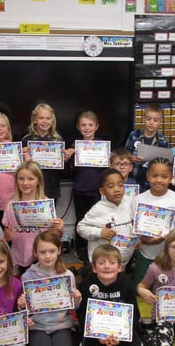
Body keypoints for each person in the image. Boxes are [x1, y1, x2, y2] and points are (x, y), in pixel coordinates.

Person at [76, 244, 148, 346]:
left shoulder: (127, 284)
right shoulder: (86, 284)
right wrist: (98, 335)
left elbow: (135, 314)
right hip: (95, 333)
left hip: (121, 332)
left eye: (112, 262)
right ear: (94, 268)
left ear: (119, 267)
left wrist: (120, 335)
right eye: (102, 263)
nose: (107, 266)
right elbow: (82, 314)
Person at [18, 230, 82, 346]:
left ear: (59, 250)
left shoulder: (67, 275)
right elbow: (26, 310)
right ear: (35, 253)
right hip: (37, 326)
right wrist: (22, 305)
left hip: (61, 324)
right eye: (42, 252)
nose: (47, 256)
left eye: (52, 251)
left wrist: (76, 299)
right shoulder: (27, 277)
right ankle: (34, 343)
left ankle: (66, 337)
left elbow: (74, 308)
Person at [132, 157, 175, 283]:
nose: (158, 180)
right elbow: (135, 228)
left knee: (167, 291)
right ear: (148, 176)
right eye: (154, 175)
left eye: (164, 176)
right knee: (142, 292)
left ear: (171, 178)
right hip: (146, 255)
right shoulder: (138, 199)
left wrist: (170, 237)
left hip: (172, 258)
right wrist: (147, 240)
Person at [2, 161, 64, 275]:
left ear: (39, 181)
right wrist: (8, 235)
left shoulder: (46, 204)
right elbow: (7, 233)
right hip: (20, 255)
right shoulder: (11, 206)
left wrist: (59, 227)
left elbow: (55, 235)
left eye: (30, 179)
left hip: (43, 256)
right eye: (21, 179)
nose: (25, 183)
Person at [66, 111, 109, 263]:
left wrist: (107, 158)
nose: (87, 128)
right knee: (81, 220)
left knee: (97, 220)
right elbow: (71, 170)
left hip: (97, 190)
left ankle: (97, 248)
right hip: (79, 190)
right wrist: (69, 157)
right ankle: (81, 249)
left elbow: (106, 170)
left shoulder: (102, 146)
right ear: (78, 127)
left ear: (96, 126)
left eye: (90, 125)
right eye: (83, 125)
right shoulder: (74, 146)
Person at [76, 168, 135, 264]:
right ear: (102, 191)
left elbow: (135, 225)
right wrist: (100, 232)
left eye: (120, 185)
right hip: (102, 264)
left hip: (122, 261)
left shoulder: (130, 203)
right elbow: (81, 228)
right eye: (111, 186)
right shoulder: (98, 209)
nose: (117, 189)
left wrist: (138, 238)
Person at [20, 103, 65, 202]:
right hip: (31, 188)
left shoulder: (58, 141)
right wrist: (24, 160)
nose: (45, 121)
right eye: (41, 118)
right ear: (34, 120)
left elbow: (62, 171)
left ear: (52, 120)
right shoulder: (26, 140)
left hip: (51, 187)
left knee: (49, 217)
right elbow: (21, 169)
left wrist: (64, 160)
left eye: (48, 118)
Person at [124, 103, 169, 191]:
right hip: (133, 181)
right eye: (148, 119)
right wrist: (131, 158)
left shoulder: (163, 140)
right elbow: (125, 155)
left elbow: (165, 164)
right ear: (143, 119)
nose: (151, 123)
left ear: (160, 122)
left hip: (152, 185)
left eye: (155, 120)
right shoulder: (134, 135)